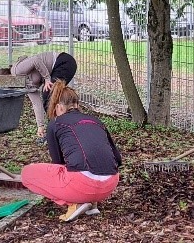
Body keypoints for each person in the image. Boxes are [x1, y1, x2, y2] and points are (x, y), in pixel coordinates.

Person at [20, 81, 122, 222]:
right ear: (77, 106)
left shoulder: (55, 123)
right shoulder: (96, 121)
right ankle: (91, 203)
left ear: (59, 107)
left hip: (81, 184)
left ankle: (75, 203)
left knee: (27, 173)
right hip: (110, 184)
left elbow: (58, 163)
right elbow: (118, 159)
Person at [0, 51, 77, 143]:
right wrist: (40, 126)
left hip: (63, 62)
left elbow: (35, 60)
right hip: (57, 69)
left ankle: (58, 132)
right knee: (49, 96)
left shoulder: (17, 71)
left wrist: (47, 78)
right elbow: (36, 104)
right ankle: (56, 131)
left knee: (49, 93)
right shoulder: (24, 85)